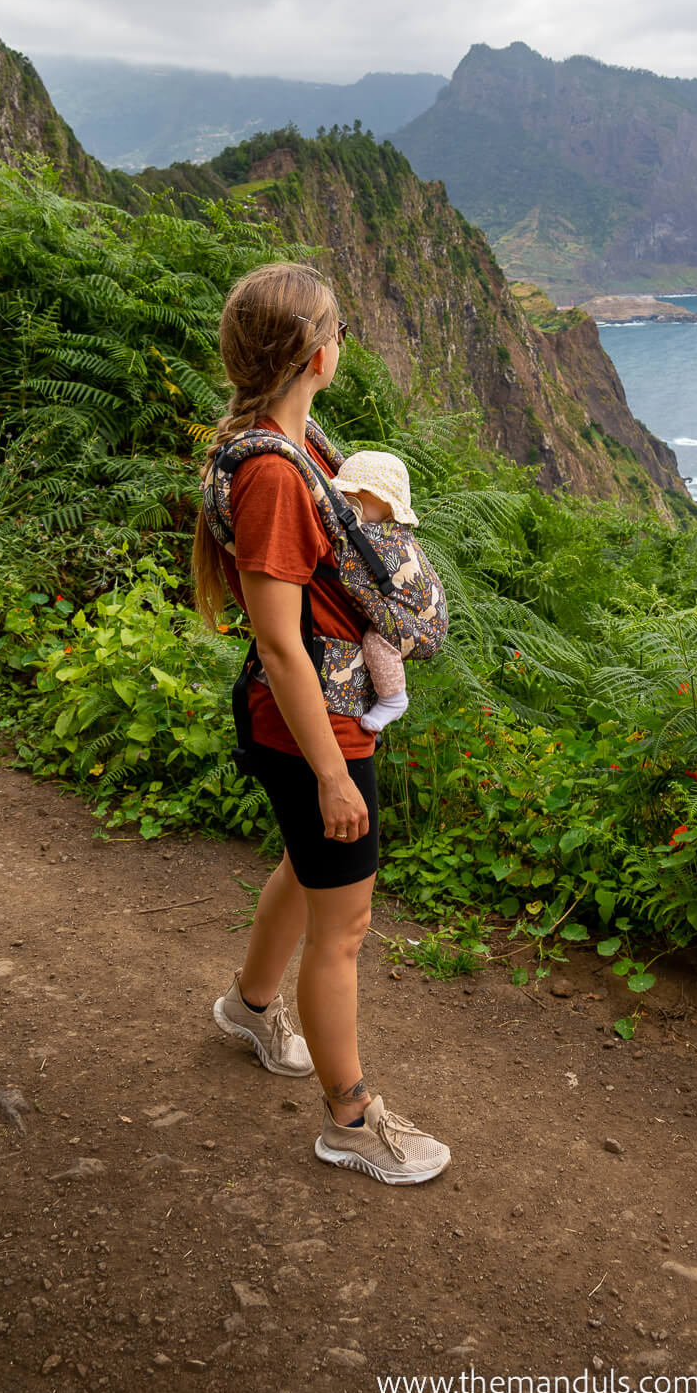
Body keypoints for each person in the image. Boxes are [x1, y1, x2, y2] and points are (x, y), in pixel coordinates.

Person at [191, 261, 450, 1185]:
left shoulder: (299, 446)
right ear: (314, 353)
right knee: (345, 927)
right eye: (337, 327)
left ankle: (253, 1006)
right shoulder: (273, 476)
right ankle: (350, 1119)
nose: (344, 340)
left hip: (308, 720)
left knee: (309, 872)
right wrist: (334, 775)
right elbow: (282, 642)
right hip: (314, 729)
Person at [330, 448, 428, 735]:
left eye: (359, 497)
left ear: (388, 507)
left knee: (377, 641)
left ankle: (393, 698)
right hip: (397, 607)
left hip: (415, 619)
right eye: (346, 495)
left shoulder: (386, 539)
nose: (349, 504)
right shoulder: (370, 532)